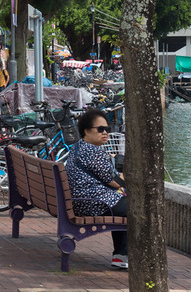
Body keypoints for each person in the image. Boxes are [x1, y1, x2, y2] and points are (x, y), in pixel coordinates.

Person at [65, 108, 128, 269]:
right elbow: (115, 182)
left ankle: (121, 255)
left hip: (79, 200)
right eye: (100, 129)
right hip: (93, 202)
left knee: (126, 207)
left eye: (107, 129)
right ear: (86, 130)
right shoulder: (94, 152)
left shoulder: (78, 147)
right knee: (137, 207)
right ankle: (124, 255)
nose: (105, 133)